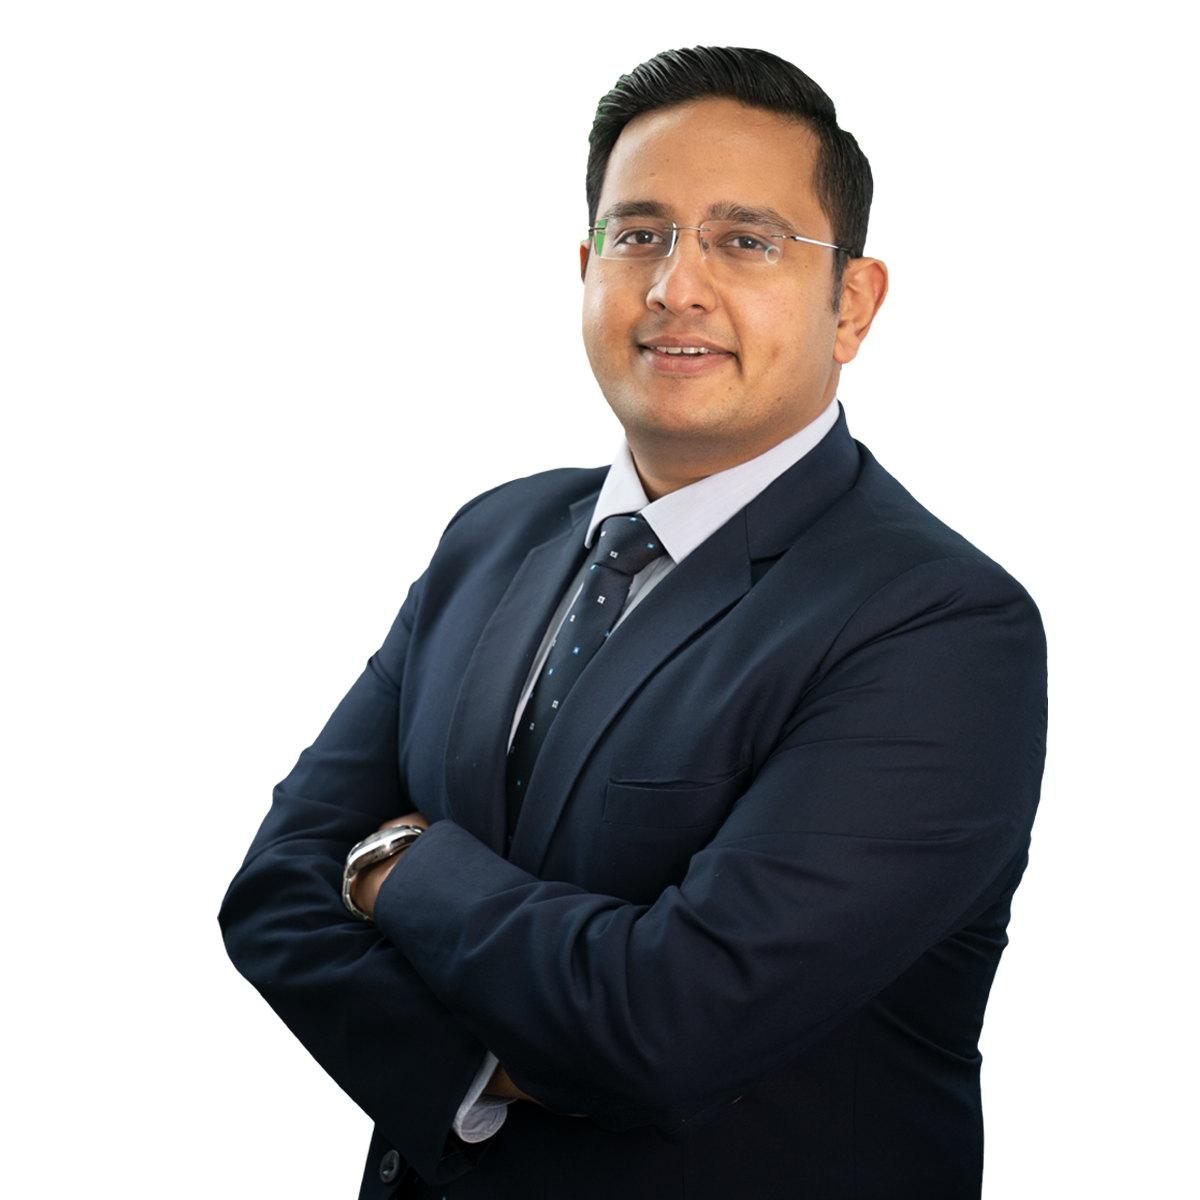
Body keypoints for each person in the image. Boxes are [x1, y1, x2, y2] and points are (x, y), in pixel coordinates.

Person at [220, 45, 1047, 1200]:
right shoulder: (491, 537)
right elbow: (272, 888)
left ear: (852, 304)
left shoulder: (943, 629)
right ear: (587, 268)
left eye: (745, 241)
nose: (674, 287)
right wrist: (478, 1072)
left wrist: (399, 866)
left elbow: (668, 1025)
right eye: (639, 234)